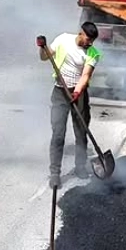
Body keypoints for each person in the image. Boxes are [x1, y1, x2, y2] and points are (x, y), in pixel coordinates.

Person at [37, 22, 100, 189]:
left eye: (92, 40)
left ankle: (80, 166)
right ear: (80, 33)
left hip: (78, 95)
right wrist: (42, 47)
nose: (90, 43)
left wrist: (77, 91)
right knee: (58, 133)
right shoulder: (63, 40)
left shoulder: (93, 53)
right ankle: (55, 174)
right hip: (60, 92)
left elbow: (86, 75)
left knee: (81, 131)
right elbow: (45, 57)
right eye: (88, 39)